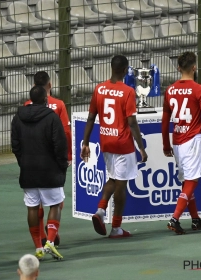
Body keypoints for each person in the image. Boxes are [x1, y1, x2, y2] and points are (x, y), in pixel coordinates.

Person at [80, 55, 148, 238]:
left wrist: (85, 143)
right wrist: (141, 147)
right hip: (122, 143)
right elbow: (132, 122)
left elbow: (91, 117)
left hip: (106, 141)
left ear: (111, 68)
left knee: (113, 178)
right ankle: (116, 228)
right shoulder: (127, 92)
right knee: (121, 186)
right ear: (126, 70)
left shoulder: (99, 88)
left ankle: (100, 211)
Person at [162, 51, 201, 235]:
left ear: (178, 68)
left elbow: (165, 120)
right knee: (192, 180)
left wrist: (166, 144)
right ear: (194, 67)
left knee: (187, 180)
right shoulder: (199, 89)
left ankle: (196, 219)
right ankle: (174, 218)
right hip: (193, 139)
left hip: (177, 140)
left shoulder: (170, 89)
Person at [12, 86, 67, 260]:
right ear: (45, 99)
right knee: (56, 204)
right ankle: (50, 241)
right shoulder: (52, 118)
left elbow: (15, 145)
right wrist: (61, 166)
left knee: (32, 207)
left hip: (28, 170)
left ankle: (38, 246)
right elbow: (60, 145)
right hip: (50, 170)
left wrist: (23, 162)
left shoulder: (18, 118)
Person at [24, 71, 72, 246]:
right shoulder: (58, 105)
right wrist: (68, 155)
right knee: (56, 199)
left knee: (34, 203)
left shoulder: (26, 107)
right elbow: (66, 132)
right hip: (52, 160)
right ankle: (52, 231)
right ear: (50, 85)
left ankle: (41, 238)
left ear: (34, 87)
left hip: (30, 159)